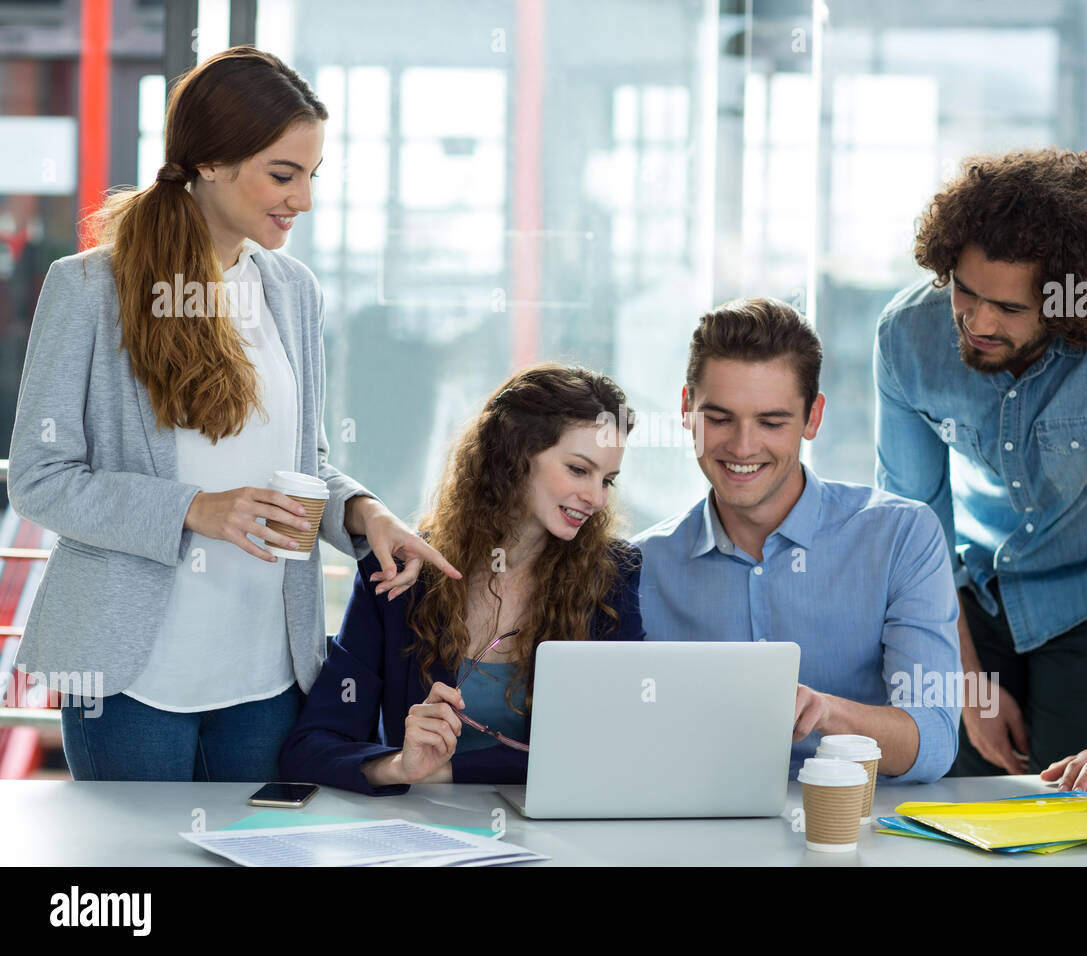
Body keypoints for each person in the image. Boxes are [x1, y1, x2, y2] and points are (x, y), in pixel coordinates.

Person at [7, 47, 457, 782]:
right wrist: (195, 508)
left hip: (268, 671)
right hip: (131, 677)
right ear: (209, 162)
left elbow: (303, 461)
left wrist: (362, 512)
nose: (303, 199)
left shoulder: (292, 290)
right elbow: (39, 479)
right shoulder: (88, 289)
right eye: (284, 174)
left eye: (313, 176)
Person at [873, 147, 1087, 796]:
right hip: (970, 592)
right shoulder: (907, 335)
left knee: (1080, 812)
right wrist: (965, 685)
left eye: (1012, 310)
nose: (980, 322)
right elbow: (912, 529)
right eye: (966, 291)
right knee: (950, 803)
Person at [634, 298, 962, 783]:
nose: (743, 446)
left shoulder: (901, 536)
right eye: (719, 419)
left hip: (852, 836)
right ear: (687, 410)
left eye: (771, 422)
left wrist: (824, 713)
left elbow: (932, 742)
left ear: (813, 418)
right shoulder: (636, 566)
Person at [279, 364, 645, 794]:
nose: (597, 498)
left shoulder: (612, 575)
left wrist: (450, 771)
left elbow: (619, 749)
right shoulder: (403, 572)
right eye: (579, 470)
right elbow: (311, 748)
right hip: (421, 835)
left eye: (608, 480)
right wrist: (400, 766)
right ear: (516, 453)